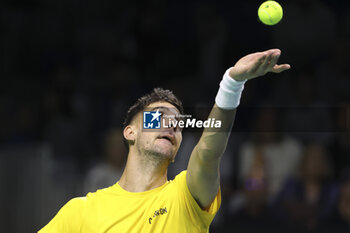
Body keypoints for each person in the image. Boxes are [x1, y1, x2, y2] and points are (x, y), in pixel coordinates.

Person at [38, 49, 290, 233]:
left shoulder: (185, 196)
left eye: (177, 123)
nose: (170, 125)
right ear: (130, 132)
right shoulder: (81, 211)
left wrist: (232, 84)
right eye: (157, 118)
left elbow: (207, 152)